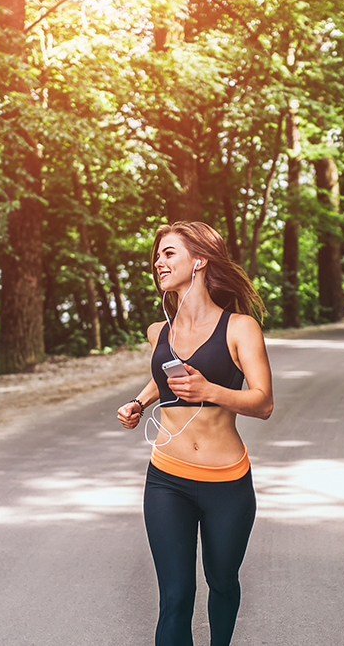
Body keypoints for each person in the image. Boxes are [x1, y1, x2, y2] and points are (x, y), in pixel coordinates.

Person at [117, 221, 273, 646]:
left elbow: (263, 403)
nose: (158, 261)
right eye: (158, 255)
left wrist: (211, 391)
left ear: (199, 261)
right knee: (175, 597)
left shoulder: (240, 329)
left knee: (222, 583)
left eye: (170, 253)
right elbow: (166, 378)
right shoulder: (159, 332)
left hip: (227, 483)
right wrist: (140, 402)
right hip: (167, 480)